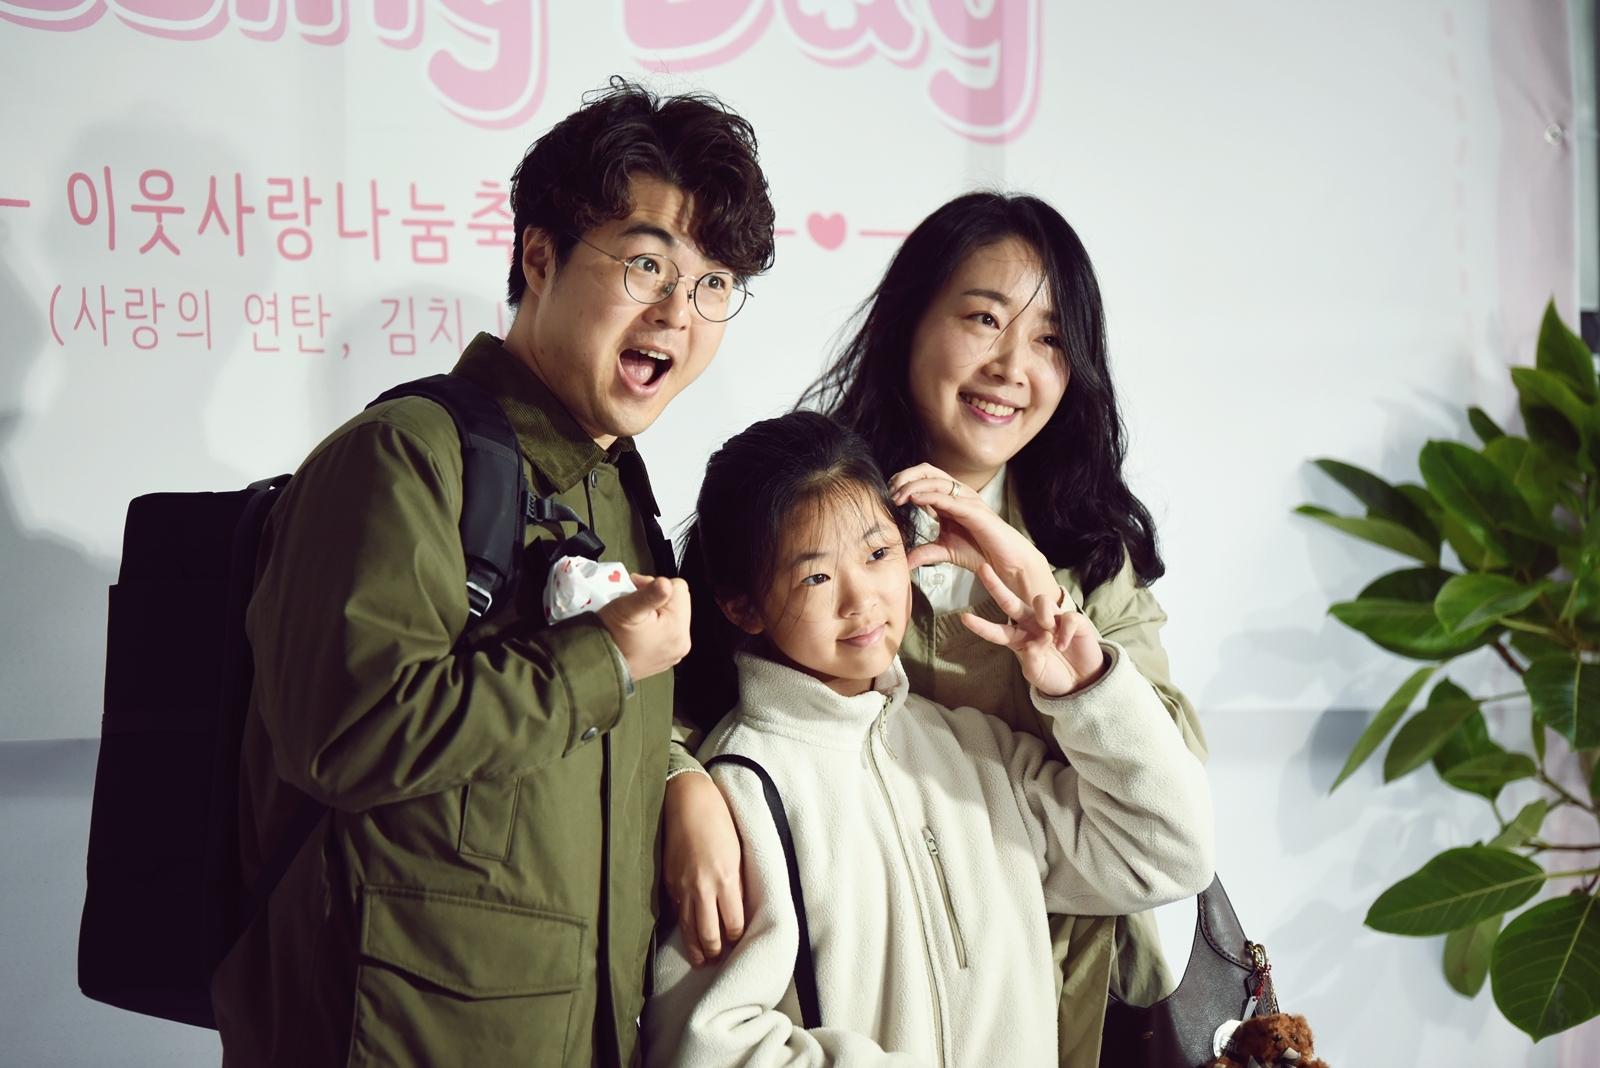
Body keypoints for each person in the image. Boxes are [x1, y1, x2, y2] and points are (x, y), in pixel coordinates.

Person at [209, 80, 774, 1068]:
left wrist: (680, 777)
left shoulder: (619, 495)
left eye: (712, 285)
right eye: (647, 264)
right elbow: (343, 733)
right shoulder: (403, 456)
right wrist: (602, 660)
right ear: (539, 257)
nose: (677, 314)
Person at [644, 412, 1214, 1068]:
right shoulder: (738, 789)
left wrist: (1082, 680)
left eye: (877, 554)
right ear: (743, 605)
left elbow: (1172, 853)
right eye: (815, 576)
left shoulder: (975, 752)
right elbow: (704, 1046)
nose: (862, 599)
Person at [799, 192, 1210, 1067]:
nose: (1012, 366)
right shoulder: (803, 509)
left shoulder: (1089, 549)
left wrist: (1050, 611)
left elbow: (1173, 796)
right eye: (984, 318)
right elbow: (710, 709)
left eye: (1051, 340)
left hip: (1076, 996)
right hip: (872, 990)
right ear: (910, 322)